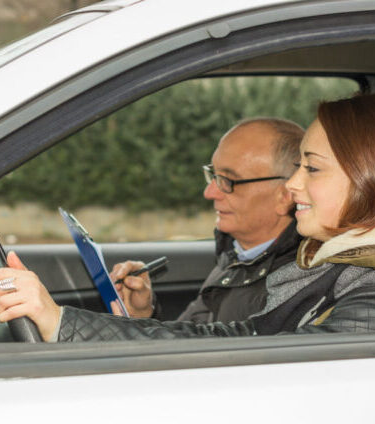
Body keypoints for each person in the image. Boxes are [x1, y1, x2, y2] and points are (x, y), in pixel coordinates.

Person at [0, 92, 375, 342]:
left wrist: (60, 323)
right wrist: (65, 322)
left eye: (312, 168)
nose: (294, 184)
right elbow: (237, 340)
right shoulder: (341, 270)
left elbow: (252, 368)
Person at [110, 118, 304, 322]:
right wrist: (143, 315)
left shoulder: (291, 285)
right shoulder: (236, 256)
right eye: (213, 175)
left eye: (228, 180)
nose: (209, 192)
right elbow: (191, 341)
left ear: (285, 196)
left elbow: (207, 351)